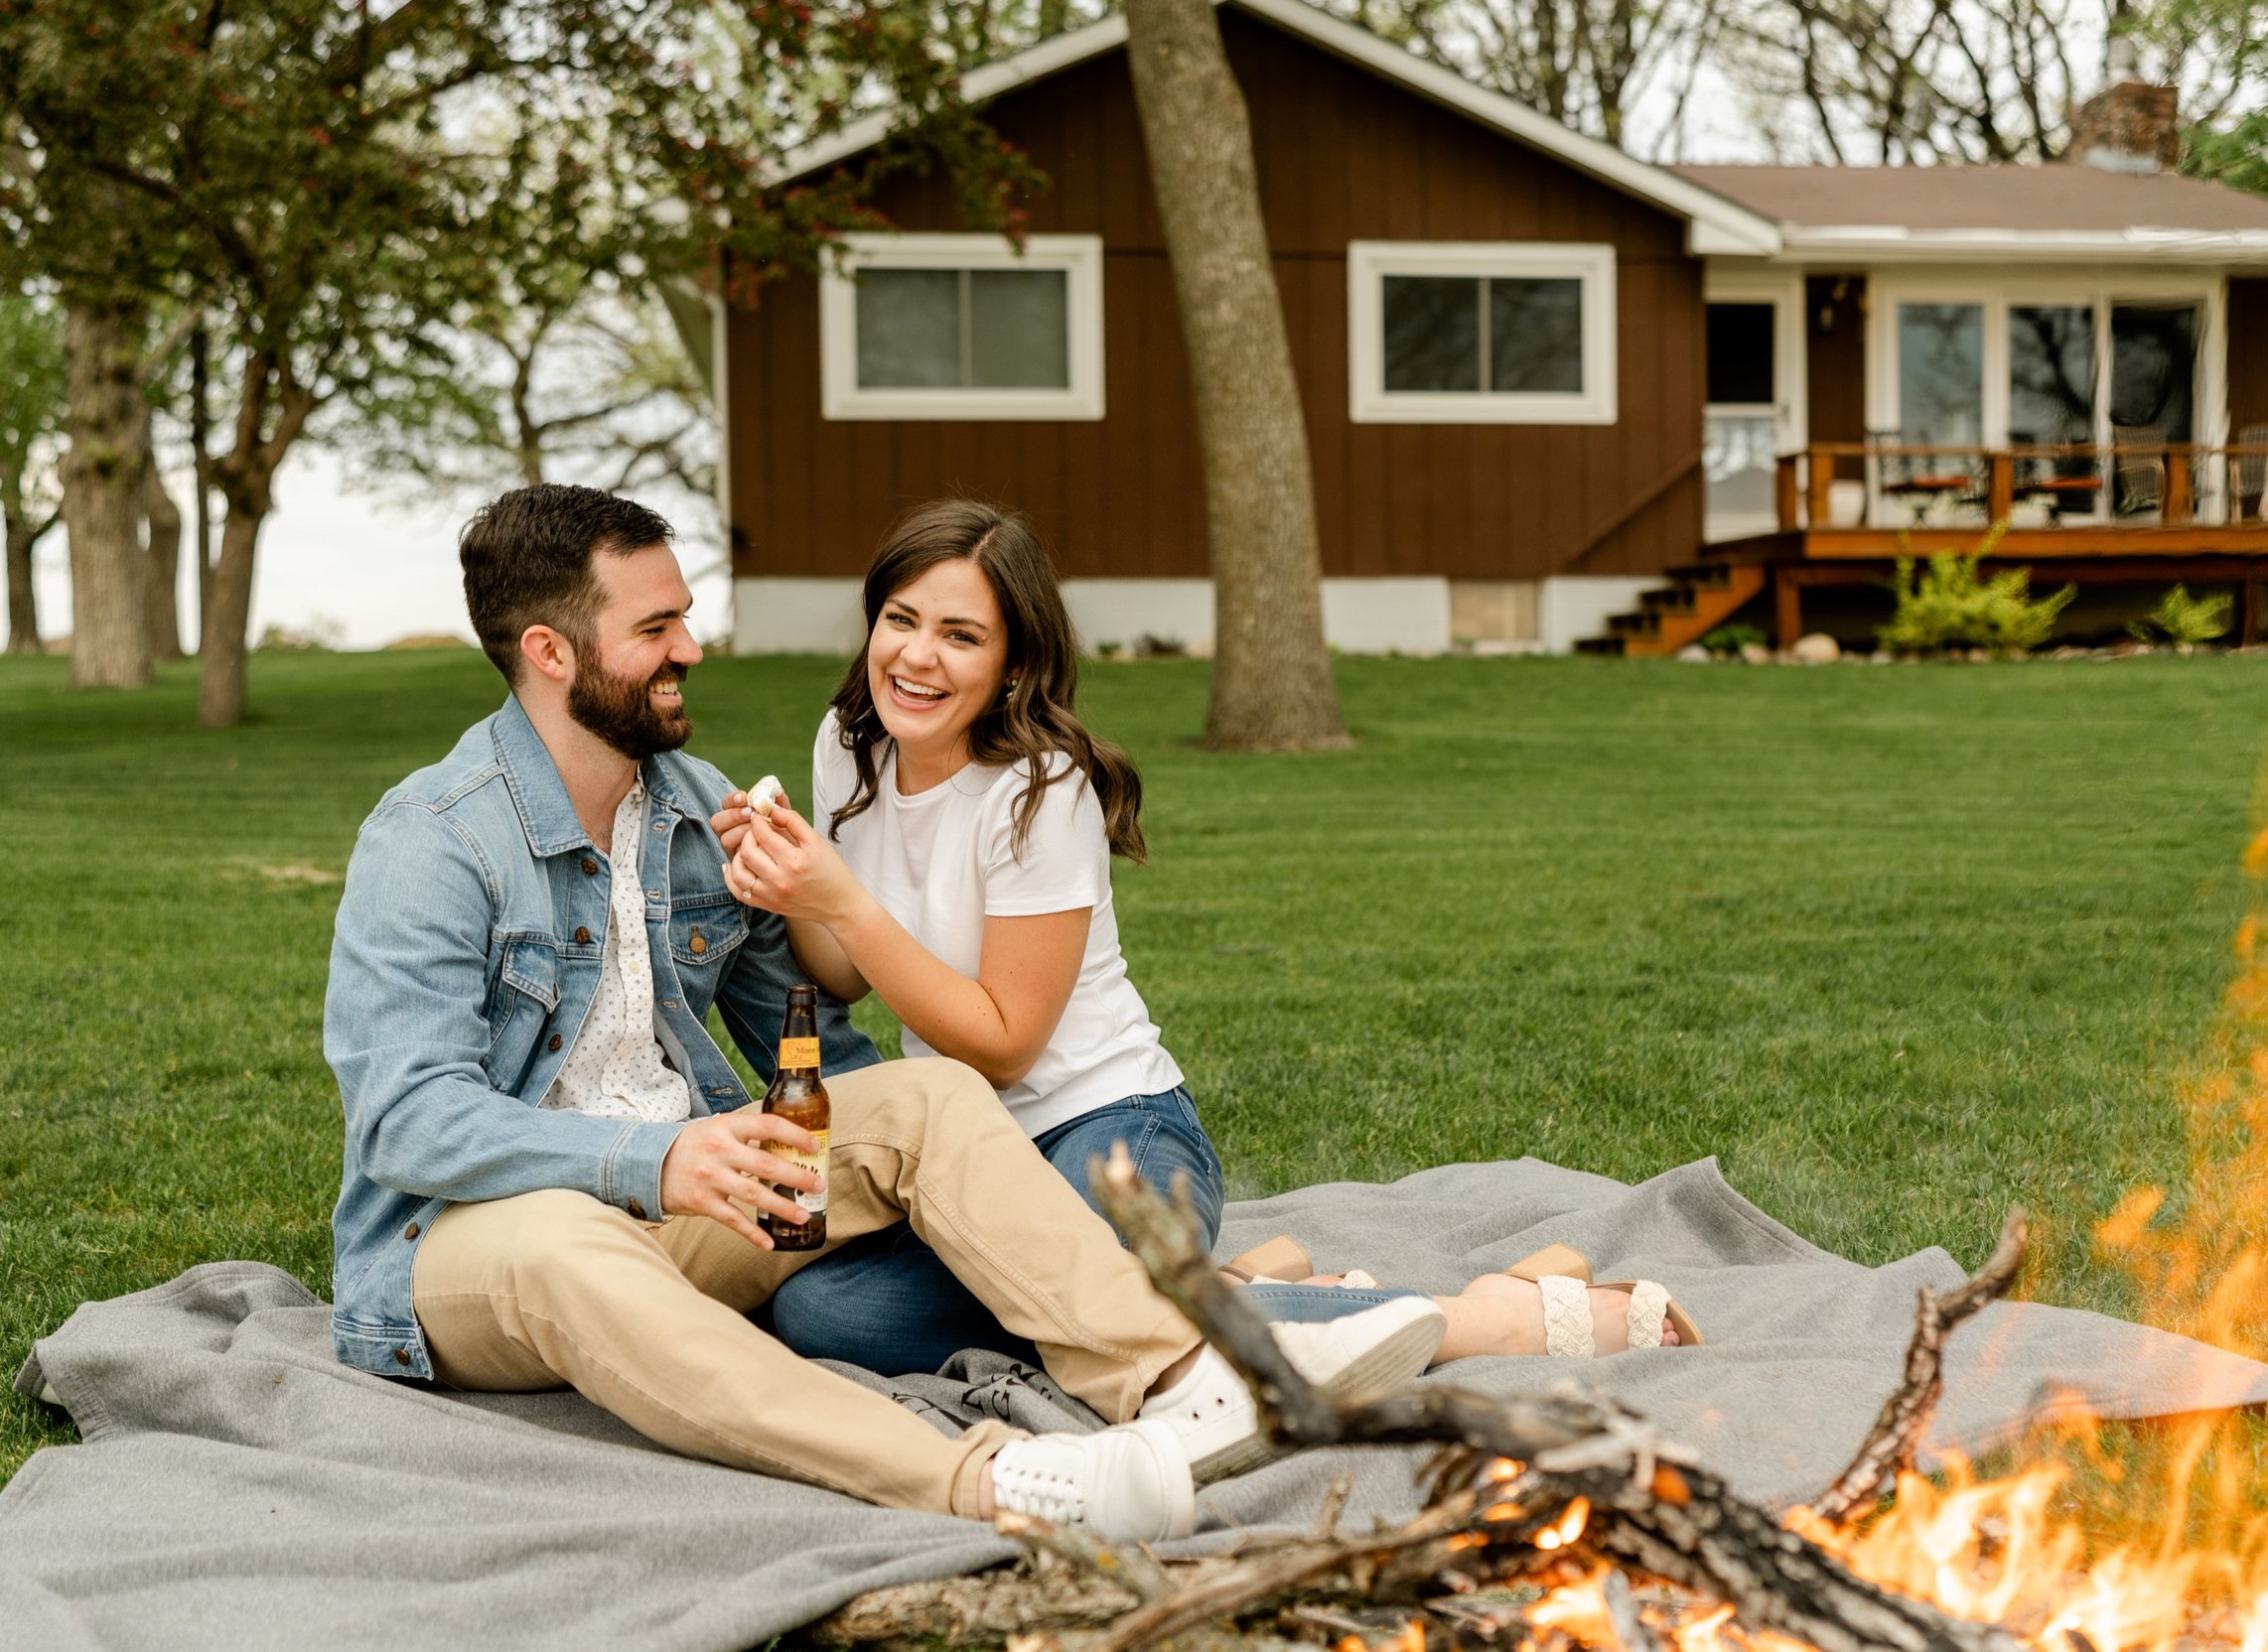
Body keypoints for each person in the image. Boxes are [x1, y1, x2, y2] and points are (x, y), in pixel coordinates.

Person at [324, 483, 1446, 1543]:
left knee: (928, 1091)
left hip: (697, 1202)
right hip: (483, 1240)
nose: (693, 650)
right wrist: (649, 1158)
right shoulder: (433, 840)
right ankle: (1001, 1479)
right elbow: (407, 1122)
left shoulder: (697, 808)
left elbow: (808, 1035)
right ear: (551, 652)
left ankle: (1184, 1381)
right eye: (657, 627)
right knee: (577, 1243)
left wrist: (939, 1184)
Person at [719, 500, 1699, 1371]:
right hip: (975, 1160)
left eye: (960, 636)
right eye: (900, 620)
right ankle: (1259, 1292)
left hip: (1110, 1132)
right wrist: (788, 889)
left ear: (1013, 661)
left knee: (1103, 1301)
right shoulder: (849, 743)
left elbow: (1007, 1039)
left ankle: (1480, 1317)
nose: (916, 657)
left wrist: (841, 899)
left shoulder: (1039, 789)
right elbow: (843, 975)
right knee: (825, 1310)